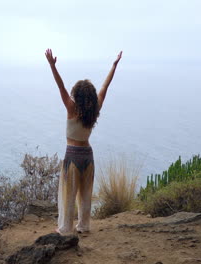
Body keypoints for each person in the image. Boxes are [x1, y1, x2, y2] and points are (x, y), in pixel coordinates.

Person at [45, 48, 122, 235]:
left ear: (76, 95)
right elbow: (105, 87)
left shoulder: (71, 108)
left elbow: (60, 87)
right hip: (88, 154)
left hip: (72, 154)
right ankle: (84, 226)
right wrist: (113, 66)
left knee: (68, 194)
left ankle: (65, 228)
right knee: (86, 194)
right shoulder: (95, 108)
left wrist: (52, 66)